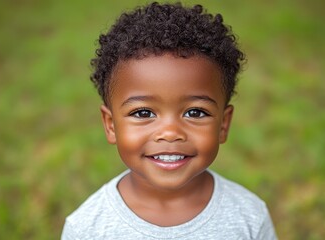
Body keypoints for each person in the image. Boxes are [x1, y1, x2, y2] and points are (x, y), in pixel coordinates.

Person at [61, 2, 277, 239]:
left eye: (195, 112)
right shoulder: (86, 228)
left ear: (223, 125)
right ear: (111, 125)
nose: (170, 132)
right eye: (143, 113)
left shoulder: (249, 216)